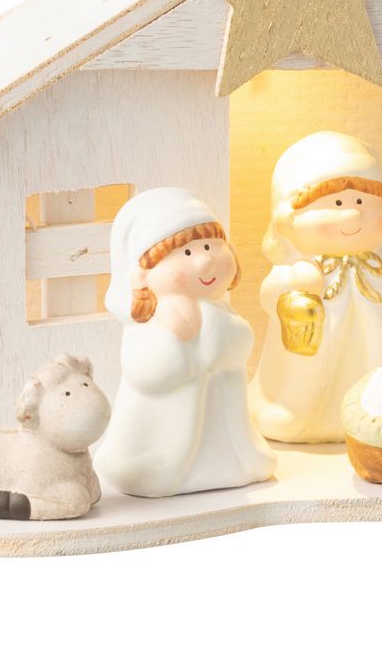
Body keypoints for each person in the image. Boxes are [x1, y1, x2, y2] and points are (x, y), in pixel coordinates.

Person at [250, 132, 382, 444]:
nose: (353, 214)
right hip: (305, 373)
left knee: (372, 387)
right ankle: (295, 411)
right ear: (289, 218)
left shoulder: (379, 266)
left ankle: (372, 413)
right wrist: (292, 288)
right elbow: (271, 295)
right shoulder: (297, 269)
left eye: (363, 201)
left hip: (370, 371)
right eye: (336, 203)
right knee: (302, 382)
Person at [95, 188, 276, 496]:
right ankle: (154, 468)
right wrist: (174, 337)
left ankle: (228, 464)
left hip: (222, 425)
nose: (206, 262)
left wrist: (216, 332)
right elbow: (145, 374)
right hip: (160, 435)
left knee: (227, 446)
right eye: (188, 253)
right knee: (153, 465)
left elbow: (240, 346)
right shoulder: (150, 322)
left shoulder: (218, 309)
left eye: (209, 246)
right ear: (144, 275)